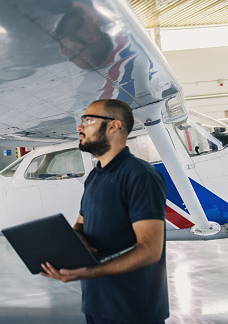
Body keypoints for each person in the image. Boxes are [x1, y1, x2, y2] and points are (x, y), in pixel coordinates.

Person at [40, 99, 169, 324]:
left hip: (133, 310)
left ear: (113, 126)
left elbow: (150, 251)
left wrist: (89, 271)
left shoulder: (141, 176)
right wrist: (74, 245)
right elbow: (80, 225)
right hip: (97, 303)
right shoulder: (95, 176)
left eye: (88, 121)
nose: (80, 127)